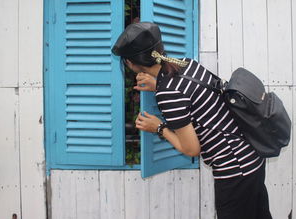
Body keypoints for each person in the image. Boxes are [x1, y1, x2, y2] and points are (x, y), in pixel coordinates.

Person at [112, 22, 272, 219]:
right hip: (251, 156)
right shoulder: (185, 64)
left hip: (235, 169)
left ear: (130, 63)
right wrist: (158, 87)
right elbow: (192, 93)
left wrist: (159, 127)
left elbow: (191, 149)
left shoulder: (168, 93)